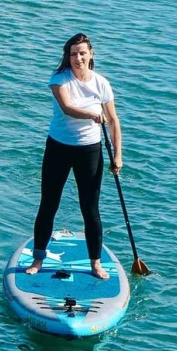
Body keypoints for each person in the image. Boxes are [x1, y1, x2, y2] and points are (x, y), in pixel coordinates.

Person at [24, 33, 123, 280]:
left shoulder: (101, 83)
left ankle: (95, 263)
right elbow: (67, 108)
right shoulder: (60, 79)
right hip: (58, 148)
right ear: (67, 57)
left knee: (90, 209)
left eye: (82, 53)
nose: (78, 58)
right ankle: (38, 259)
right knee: (49, 204)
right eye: (73, 54)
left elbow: (113, 121)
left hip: (90, 151)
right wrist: (92, 115)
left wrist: (118, 155)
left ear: (91, 55)